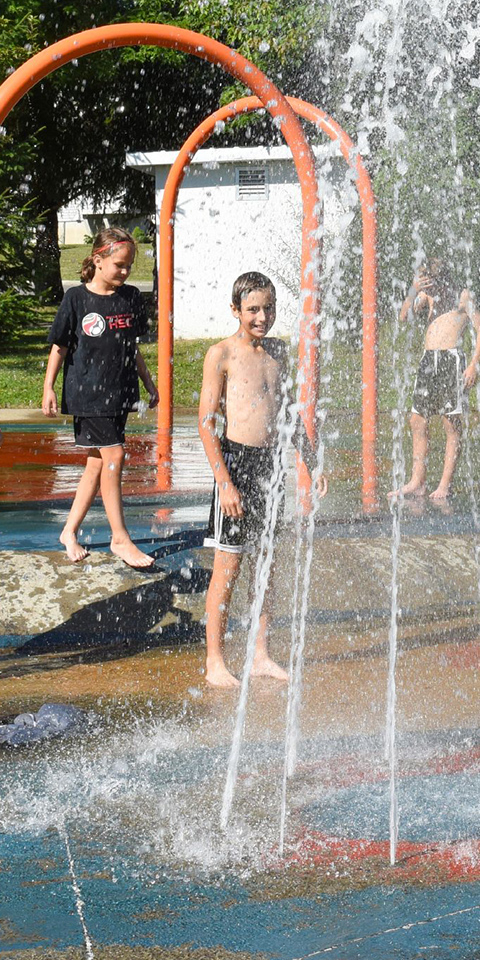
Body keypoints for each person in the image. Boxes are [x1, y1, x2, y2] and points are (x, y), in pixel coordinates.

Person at [196, 271, 293, 688]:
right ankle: (215, 661)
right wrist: (225, 482)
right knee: (228, 567)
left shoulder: (279, 352)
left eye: (268, 308)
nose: (262, 317)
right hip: (236, 466)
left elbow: (289, 412)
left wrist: (310, 461)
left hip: (272, 467)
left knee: (266, 567)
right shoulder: (222, 354)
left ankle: (261, 655)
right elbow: (206, 422)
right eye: (253, 309)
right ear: (235, 310)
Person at [42, 228, 159, 569]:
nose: (125, 272)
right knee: (114, 455)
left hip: (119, 392)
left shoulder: (131, 298)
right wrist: (49, 386)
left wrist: (149, 384)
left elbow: (132, 350)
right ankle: (120, 538)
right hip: (88, 394)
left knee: (97, 462)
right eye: (119, 265)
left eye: (129, 266)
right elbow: (59, 346)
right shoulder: (76, 299)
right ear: (98, 260)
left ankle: (69, 531)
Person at [401, 260, 480, 503]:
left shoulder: (463, 297)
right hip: (429, 360)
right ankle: (417, 482)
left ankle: (445, 484)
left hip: (451, 360)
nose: (432, 291)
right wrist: (413, 291)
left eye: (432, 285)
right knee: (417, 420)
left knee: (451, 423)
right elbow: (404, 317)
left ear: (444, 280)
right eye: (426, 285)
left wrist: (473, 365)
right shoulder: (426, 296)